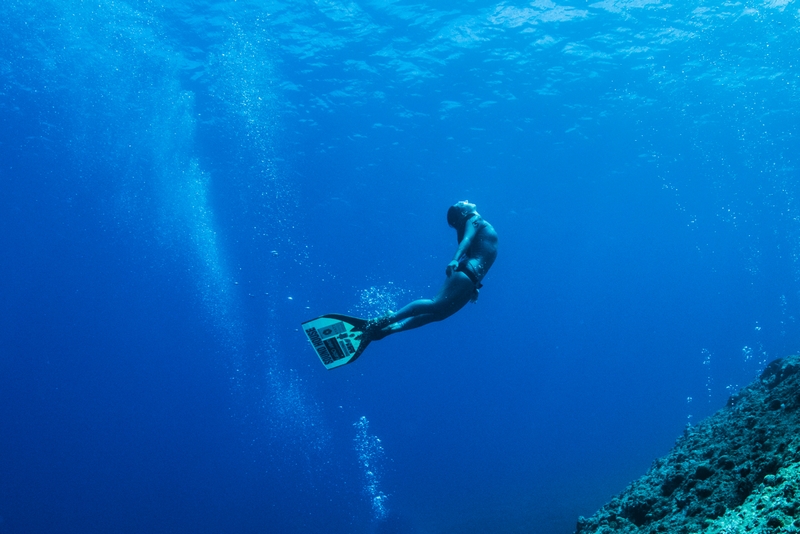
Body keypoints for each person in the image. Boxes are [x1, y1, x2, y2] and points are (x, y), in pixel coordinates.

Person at [361, 200, 498, 341]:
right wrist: (455, 259)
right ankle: (389, 318)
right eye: (461, 204)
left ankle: (392, 329)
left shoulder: (474, 222)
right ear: (464, 212)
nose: (465, 201)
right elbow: (467, 240)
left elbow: (476, 253)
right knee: (435, 304)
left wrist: (475, 286)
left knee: (439, 314)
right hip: (466, 274)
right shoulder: (474, 218)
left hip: (471, 280)